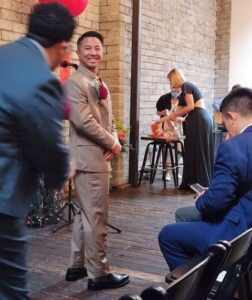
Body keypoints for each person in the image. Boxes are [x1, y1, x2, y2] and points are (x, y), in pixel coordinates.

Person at [0, 3, 76, 299]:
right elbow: (47, 146)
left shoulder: (4, 55)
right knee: (11, 289)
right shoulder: (42, 81)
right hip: (3, 200)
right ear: (63, 46)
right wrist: (63, 169)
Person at [158, 87, 252, 271]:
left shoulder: (233, 148)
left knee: (168, 235)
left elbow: (215, 203)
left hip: (237, 231)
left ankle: (198, 287)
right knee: (186, 215)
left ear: (231, 117)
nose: (227, 130)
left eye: (225, 123)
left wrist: (203, 199)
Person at [65, 31, 129, 290]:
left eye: (97, 48)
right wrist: (111, 143)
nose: (93, 52)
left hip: (94, 154)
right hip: (89, 158)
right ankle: (99, 273)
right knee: (97, 217)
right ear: (78, 53)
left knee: (84, 215)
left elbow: (107, 119)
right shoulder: (76, 82)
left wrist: (114, 137)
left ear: (103, 52)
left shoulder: (96, 80)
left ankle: (77, 266)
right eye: (87, 48)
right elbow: (83, 121)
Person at [156, 68, 214, 189]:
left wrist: (174, 115)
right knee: (192, 150)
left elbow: (191, 106)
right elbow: (179, 112)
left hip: (199, 119)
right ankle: (192, 182)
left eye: (170, 80)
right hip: (197, 119)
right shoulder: (184, 90)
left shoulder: (186, 86)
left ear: (174, 78)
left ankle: (200, 183)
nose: (170, 84)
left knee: (197, 151)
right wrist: (171, 117)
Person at [156, 90, 185, 180]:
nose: (175, 90)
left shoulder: (183, 99)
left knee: (180, 147)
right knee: (167, 149)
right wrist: (163, 113)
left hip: (177, 127)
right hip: (166, 127)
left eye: (177, 88)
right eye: (173, 87)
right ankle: (167, 171)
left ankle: (174, 169)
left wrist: (180, 119)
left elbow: (185, 115)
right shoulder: (164, 98)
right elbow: (158, 112)